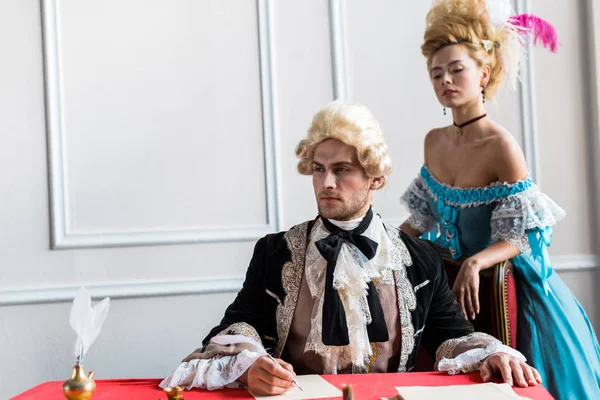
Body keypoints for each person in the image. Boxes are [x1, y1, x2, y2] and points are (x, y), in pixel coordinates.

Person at [161, 101, 540, 395]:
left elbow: (452, 336)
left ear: (375, 178)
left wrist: (493, 352)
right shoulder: (275, 251)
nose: (326, 182)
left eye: (342, 169)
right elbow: (234, 328)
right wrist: (250, 364)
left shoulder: (420, 259)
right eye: (318, 168)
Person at [399, 1, 600, 398]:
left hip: (510, 286)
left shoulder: (501, 146)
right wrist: (383, 245)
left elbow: (526, 235)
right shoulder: (434, 142)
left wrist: (476, 261)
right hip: (451, 279)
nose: (446, 80)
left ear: (483, 74)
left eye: (457, 70)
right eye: (436, 73)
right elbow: (420, 220)